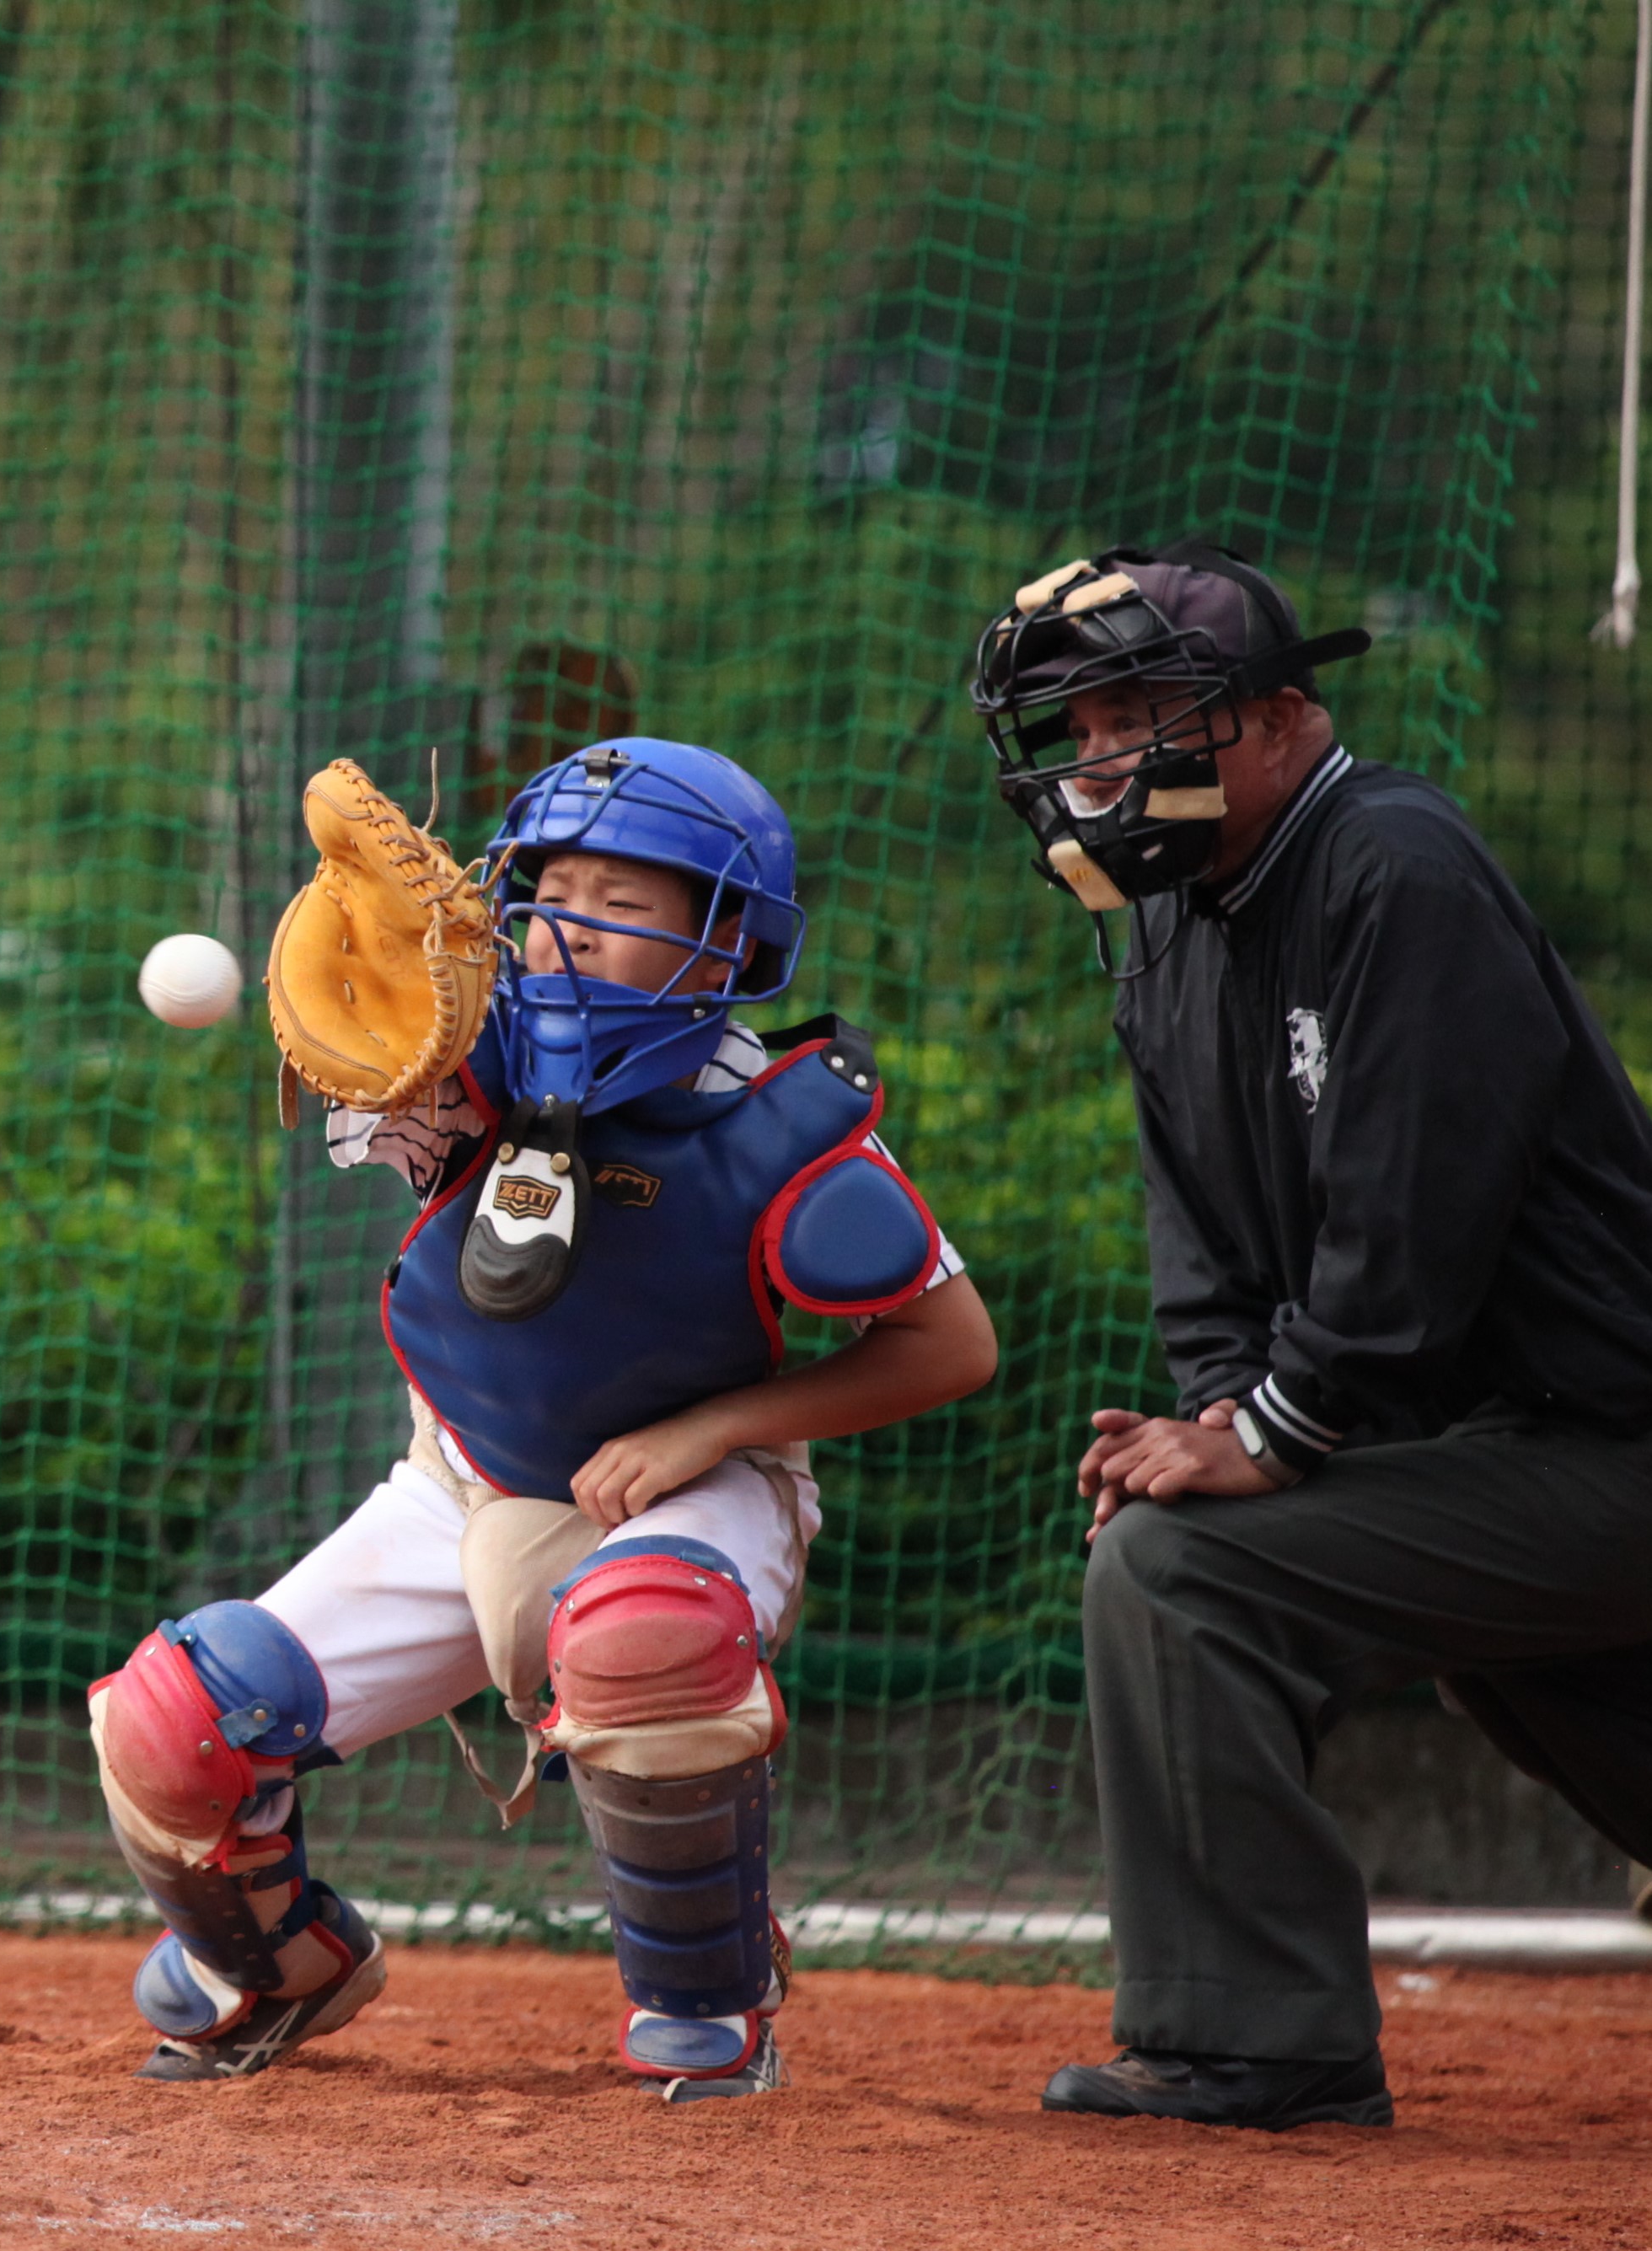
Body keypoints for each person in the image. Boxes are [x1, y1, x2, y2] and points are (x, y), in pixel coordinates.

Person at [89, 742, 996, 2096]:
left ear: (728, 941)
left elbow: (952, 1346)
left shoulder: (776, 1120)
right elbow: (388, 1048)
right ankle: (280, 1962)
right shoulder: (463, 1055)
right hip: (463, 1472)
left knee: (645, 1636)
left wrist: (714, 1427)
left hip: (692, 1487)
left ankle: (706, 1990)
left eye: (621, 902)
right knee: (175, 1715)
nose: (568, 929)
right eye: (550, 894)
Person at [971, 542, 1652, 2131]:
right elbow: (1201, 1257)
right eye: (1082, 731)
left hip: (1610, 1439)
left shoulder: (1391, 865)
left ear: (1282, 719)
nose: (1100, 760)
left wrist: (1273, 1438)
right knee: (1218, 1542)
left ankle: (1257, 2039)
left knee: (1179, 1572)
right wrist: (1219, 1419)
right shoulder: (1163, 931)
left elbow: (1415, 1217)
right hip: (1487, 1454)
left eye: (1143, 715)